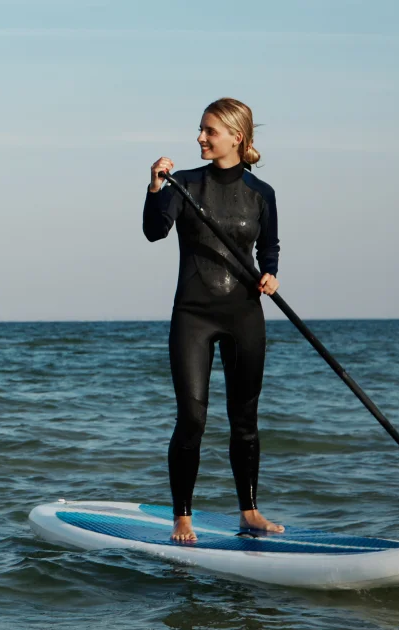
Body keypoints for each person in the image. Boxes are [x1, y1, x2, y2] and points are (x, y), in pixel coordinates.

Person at [142, 97, 284, 544]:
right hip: (193, 316)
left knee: (245, 419)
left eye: (209, 131)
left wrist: (271, 274)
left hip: (244, 314)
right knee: (192, 417)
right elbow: (154, 230)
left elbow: (270, 247)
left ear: (236, 138)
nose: (200, 138)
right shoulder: (183, 185)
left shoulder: (262, 194)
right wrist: (154, 188)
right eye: (201, 130)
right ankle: (182, 516)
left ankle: (250, 512)